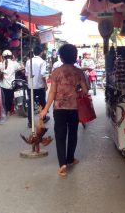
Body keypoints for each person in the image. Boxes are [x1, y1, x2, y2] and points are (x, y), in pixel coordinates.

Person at [39, 44, 88, 177]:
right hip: (74, 108)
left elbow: (52, 93)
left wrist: (45, 110)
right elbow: (85, 90)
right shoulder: (79, 72)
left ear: (61, 57)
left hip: (59, 108)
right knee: (73, 133)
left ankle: (62, 164)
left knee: (60, 136)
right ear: (75, 56)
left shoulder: (56, 72)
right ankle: (70, 158)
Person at [25, 46, 50, 128]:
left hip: (30, 86)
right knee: (42, 102)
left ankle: (30, 122)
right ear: (41, 52)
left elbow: (26, 74)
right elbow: (43, 75)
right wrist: (45, 85)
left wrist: (29, 82)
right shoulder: (42, 62)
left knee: (30, 103)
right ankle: (44, 118)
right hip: (39, 86)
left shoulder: (28, 61)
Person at [0, 50, 20, 115]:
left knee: (5, 98)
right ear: (11, 56)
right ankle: (9, 110)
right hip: (12, 85)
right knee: (10, 97)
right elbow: (20, 67)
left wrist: (1, 62)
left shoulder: (1, 64)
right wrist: (15, 60)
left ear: (3, 57)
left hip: (3, 85)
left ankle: (6, 111)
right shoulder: (14, 63)